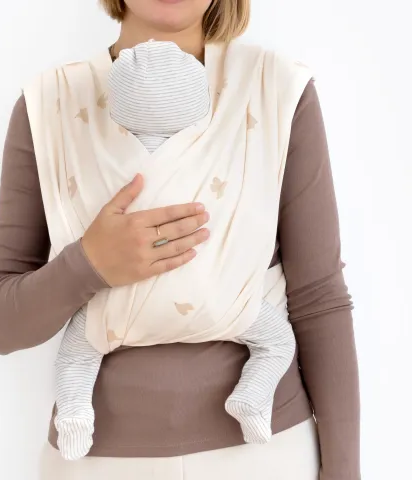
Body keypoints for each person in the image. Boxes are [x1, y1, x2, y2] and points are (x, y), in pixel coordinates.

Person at [0, 0, 361, 479]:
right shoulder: (50, 104)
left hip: (265, 452)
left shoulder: (275, 90)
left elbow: (319, 299)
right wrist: (89, 263)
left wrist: (344, 470)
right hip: (95, 461)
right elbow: (0, 323)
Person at [52, 39, 297, 461]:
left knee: (76, 354)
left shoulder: (98, 160)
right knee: (277, 342)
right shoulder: (221, 158)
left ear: (118, 105)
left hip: (115, 303)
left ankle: (74, 413)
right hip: (213, 296)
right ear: (198, 105)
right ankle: (253, 397)